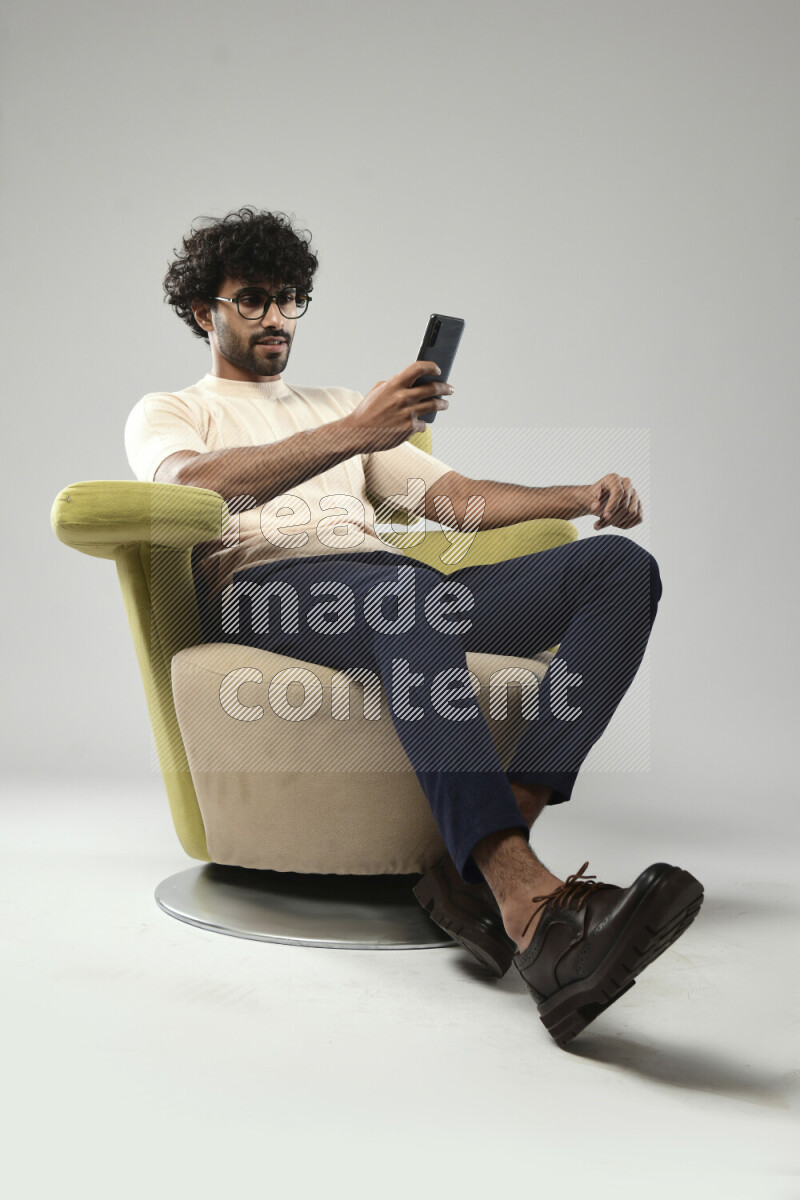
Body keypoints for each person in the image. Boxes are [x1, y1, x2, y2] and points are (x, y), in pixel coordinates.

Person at [124, 205, 704, 1047]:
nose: (277, 317)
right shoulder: (173, 409)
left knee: (617, 573)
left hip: (398, 589)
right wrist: (355, 430)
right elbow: (197, 488)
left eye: (289, 298)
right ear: (202, 312)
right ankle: (529, 905)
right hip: (269, 594)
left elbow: (455, 503)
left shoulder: (338, 407)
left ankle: (486, 856)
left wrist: (579, 497)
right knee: (407, 600)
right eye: (252, 299)